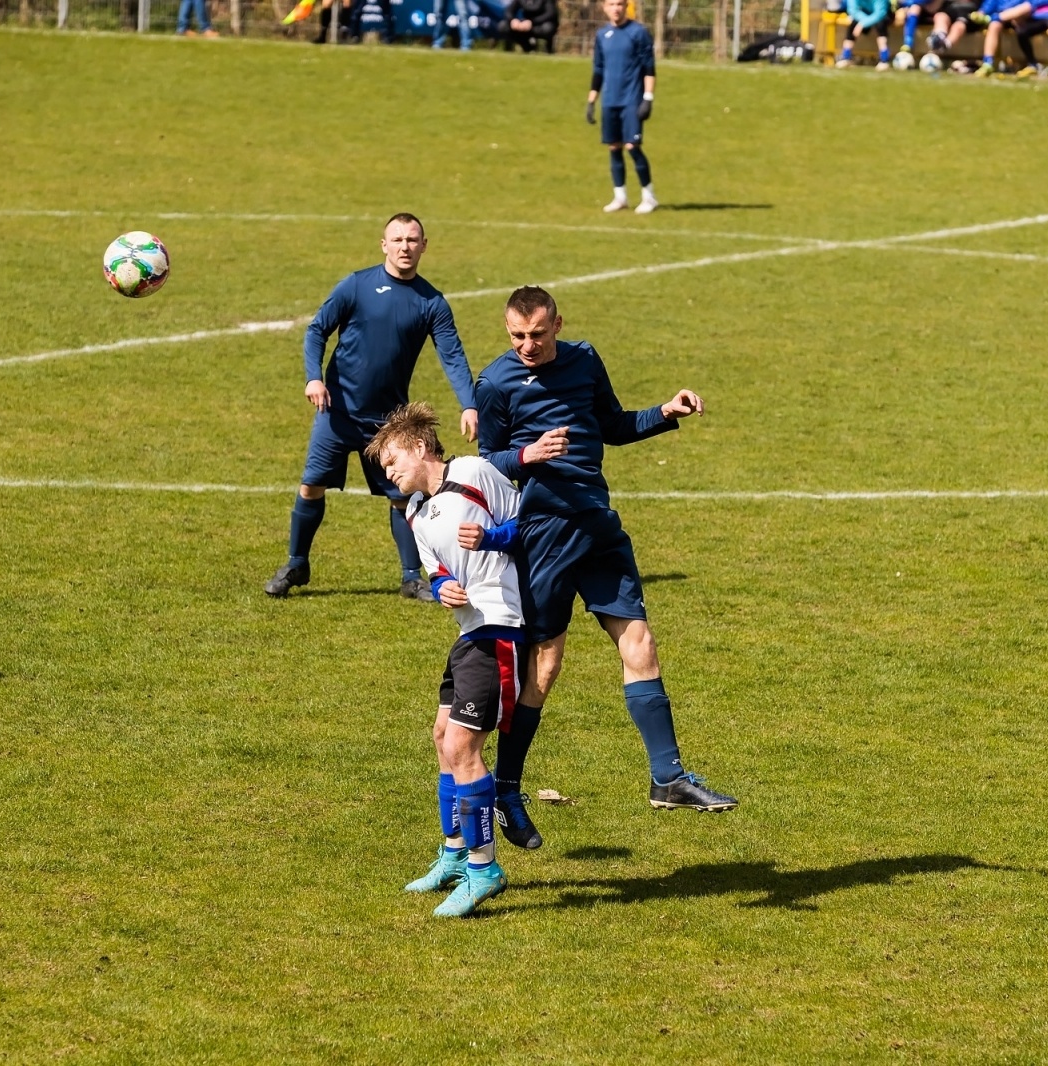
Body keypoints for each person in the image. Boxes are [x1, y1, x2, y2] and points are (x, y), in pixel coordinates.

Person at [471, 286, 739, 851]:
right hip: (543, 537)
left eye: (538, 334)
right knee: (544, 670)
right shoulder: (495, 383)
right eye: (517, 336)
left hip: (597, 527)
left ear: (558, 324)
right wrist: (527, 456)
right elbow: (482, 465)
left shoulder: (584, 359)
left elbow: (612, 424)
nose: (527, 345)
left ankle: (667, 778)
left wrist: (666, 412)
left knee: (639, 642)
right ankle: (505, 787)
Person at [264, 214, 479, 601]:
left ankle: (412, 577)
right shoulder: (357, 286)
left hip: (388, 422)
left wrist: (469, 404)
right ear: (384, 245)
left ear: (424, 246)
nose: (404, 246)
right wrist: (314, 377)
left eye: (413, 240)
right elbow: (317, 330)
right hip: (338, 411)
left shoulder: (432, 302)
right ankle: (297, 563)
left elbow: (452, 355)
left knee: (402, 496)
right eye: (397, 239)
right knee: (312, 486)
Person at [371, 403, 521, 917]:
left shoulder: (474, 473)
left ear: (418, 447)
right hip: (468, 632)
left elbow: (530, 524)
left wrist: (492, 538)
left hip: (500, 624)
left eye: (392, 462)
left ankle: (485, 869)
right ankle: (456, 854)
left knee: (462, 744)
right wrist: (443, 588)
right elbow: (435, 570)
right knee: (441, 736)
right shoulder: (413, 512)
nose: (389, 474)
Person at [586, 0, 658, 215]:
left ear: (626, 6)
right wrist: (591, 101)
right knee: (614, 147)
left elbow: (649, 68)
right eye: (611, 4)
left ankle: (649, 196)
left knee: (632, 147)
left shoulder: (638, 33)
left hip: (631, 100)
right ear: (604, 7)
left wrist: (647, 98)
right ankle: (620, 196)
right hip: (610, 100)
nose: (615, 8)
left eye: (619, 4)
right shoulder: (602, 35)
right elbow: (598, 69)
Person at [835, 0, 894, 68]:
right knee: (853, 24)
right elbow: (853, 10)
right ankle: (846, 57)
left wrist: (863, 24)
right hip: (865, 14)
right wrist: (863, 22)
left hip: (883, 14)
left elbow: (880, 13)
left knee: (880, 25)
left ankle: (884, 59)